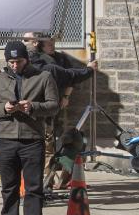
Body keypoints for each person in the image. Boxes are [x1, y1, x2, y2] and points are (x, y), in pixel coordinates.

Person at [0, 40, 59, 215]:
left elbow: (53, 106)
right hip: (6, 139)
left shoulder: (43, 77)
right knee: (9, 187)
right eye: (11, 61)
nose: (15, 65)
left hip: (32, 139)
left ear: (26, 58)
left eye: (18, 61)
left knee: (34, 188)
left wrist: (33, 107)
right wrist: (4, 108)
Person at [23, 32, 97, 187]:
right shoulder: (36, 62)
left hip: (50, 107)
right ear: (39, 43)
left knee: (52, 142)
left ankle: (51, 180)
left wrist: (66, 96)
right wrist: (88, 70)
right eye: (49, 43)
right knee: (44, 145)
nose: (52, 45)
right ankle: (44, 183)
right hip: (37, 111)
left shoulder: (58, 59)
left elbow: (69, 77)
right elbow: (66, 74)